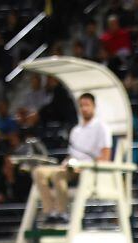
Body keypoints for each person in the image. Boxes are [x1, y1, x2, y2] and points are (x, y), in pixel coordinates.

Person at [32, 92, 111, 224]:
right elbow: (71, 154)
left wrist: (86, 166)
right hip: (71, 167)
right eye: (81, 105)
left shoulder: (102, 127)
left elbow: (106, 157)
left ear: (94, 106)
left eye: (87, 105)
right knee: (38, 171)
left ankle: (62, 212)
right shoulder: (76, 130)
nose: (84, 108)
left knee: (59, 175)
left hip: (88, 169)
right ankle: (50, 211)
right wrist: (65, 162)